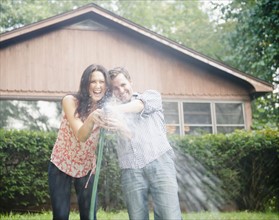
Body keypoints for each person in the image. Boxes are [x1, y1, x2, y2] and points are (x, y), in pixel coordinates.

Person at [104, 67, 182, 220]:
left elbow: (139, 106)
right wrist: (118, 124)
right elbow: (129, 135)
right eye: (115, 88)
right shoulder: (113, 114)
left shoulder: (151, 96)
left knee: (169, 216)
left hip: (159, 162)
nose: (121, 90)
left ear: (130, 81)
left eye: (123, 84)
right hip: (130, 169)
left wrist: (114, 109)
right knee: (137, 217)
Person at [48, 64, 111, 220]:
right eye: (93, 82)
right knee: (61, 216)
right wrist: (92, 117)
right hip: (61, 163)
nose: (97, 86)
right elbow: (81, 135)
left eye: (101, 82)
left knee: (90, 216)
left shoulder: (106, 109)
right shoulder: (70, 101)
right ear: (85, 84)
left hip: (86, 166)